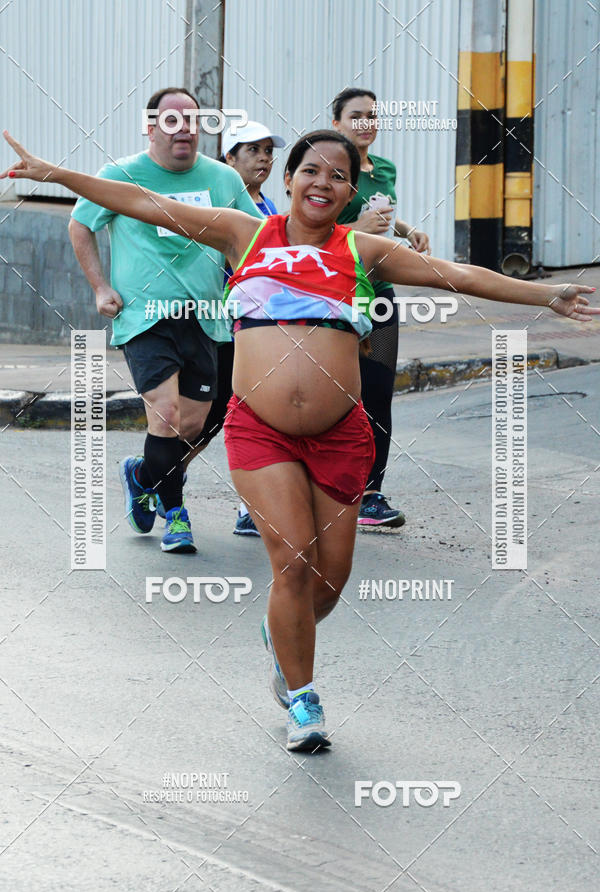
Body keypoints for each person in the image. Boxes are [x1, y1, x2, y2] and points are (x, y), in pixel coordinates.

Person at [5, 128, 596, 752]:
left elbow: (457, 275)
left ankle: (281, 635)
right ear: (288, 180)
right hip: (259, 432)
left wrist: (545, 294)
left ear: (348, 192)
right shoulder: (243, 232)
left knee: (329, 581)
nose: (323, 183)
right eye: (311, 170)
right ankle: (303, 700)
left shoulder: (363, 249)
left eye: (338, 176)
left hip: (340, 436)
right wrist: (54, 172)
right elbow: (140, 203)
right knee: (292, 564)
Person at [68, 87, 261, 553]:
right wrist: (100, 287)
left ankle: (141, 474)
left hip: (206, 316)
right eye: (172, 121)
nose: (185, 130)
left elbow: (256, 236)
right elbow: (80, 224)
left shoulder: (221, 178)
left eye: (193, 121)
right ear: (150, 127)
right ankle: (176, 515)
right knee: (167, 413)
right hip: (145, 314)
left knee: (191, 426)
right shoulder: (121, 176)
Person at [332, 87, 431, 528]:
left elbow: (382, 214)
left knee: (378, 393)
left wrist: (407, 230)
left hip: (379, 293)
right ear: (337, 123)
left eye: (372, 116)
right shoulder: (329, 169)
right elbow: (313, 230)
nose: (365, 124)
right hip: (333, 294)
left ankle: (371, 493)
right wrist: (357, 227)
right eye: (355, 116)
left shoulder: (384, 167)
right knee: (332, 393)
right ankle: (325, 487)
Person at [221, 120, 285, 536]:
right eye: (252, 151)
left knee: (262, 415)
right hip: (231, 329)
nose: (264, 158)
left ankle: (252, 507)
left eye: (267, 150)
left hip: (271, 329)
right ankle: (158, 477)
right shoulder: (224, 209)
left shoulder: (273, 208)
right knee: (224, 420)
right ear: (229, 159)